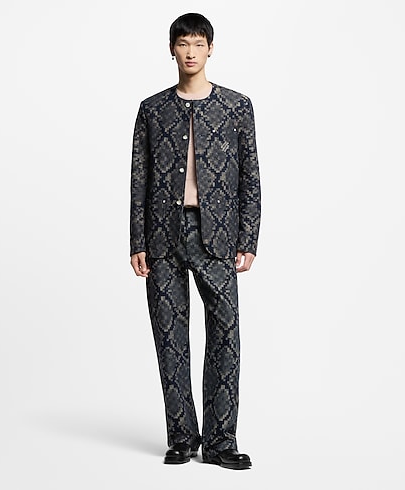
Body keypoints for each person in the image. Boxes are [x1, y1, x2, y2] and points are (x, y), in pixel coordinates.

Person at [130, 12, 261, 470]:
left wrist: (248, 237)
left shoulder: (236, 107)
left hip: (219, 235)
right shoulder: (152, 109)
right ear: (172, 50)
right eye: (183, 44)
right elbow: (139, 179)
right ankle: (182, 437)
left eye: (198, 44)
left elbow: (250, 176)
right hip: (162, 235)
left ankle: (221, 442)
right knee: (170, 337)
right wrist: (137, 240)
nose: (190, 52)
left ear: (210, 49)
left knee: (225, 334)